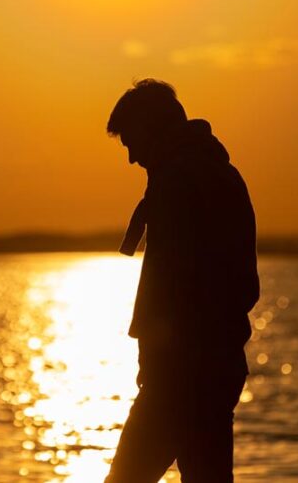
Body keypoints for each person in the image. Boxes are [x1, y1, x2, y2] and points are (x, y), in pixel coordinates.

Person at [105, 79, 260, 483]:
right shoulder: (218, 174)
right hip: (217, 367)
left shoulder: (178, 182)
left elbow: (170, 286)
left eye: (132, 143)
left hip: (182, 375)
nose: (132, 158)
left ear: (152, 129)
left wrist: (158, 363)